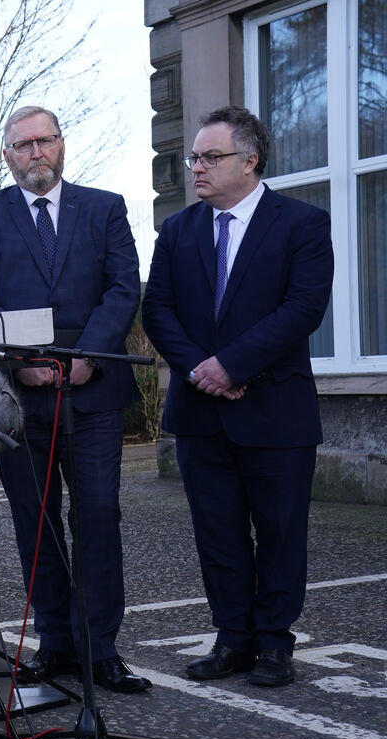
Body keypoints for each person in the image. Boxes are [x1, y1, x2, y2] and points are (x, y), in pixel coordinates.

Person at [0, 106, 150, 693]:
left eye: (44, 141)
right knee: (33, 523)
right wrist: (21, 363)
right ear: (7, 154)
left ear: (61, 146)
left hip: (93, 392)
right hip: (19, 401)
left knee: (97, 518)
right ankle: (57, 644)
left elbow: (122, 287)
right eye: (22, 144)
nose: (35, 152)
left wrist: (87, 355)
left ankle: (101, 648)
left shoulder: (105, 208)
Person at [142, 106, 333, 688]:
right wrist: (205, 372)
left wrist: (233, 364)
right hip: (202, 414)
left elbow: (302, 309)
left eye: (210, 157)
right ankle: (233, 640)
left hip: (276, 411)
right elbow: (158, 310)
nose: (195, 167)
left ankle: (275, 644)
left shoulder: (302, 224)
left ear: (250, 162)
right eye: (193, 157)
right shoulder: (177, 230)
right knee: (218, 536)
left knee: (279, 534)